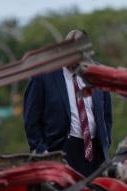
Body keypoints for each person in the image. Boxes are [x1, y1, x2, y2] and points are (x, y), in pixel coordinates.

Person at [23, 29, 113, 176]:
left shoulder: (98, 73)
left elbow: (107, 115)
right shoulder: (43, 76)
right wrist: (42, 152)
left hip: (94, 153)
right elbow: (31, 121)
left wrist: (105, 141)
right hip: (60, 152)